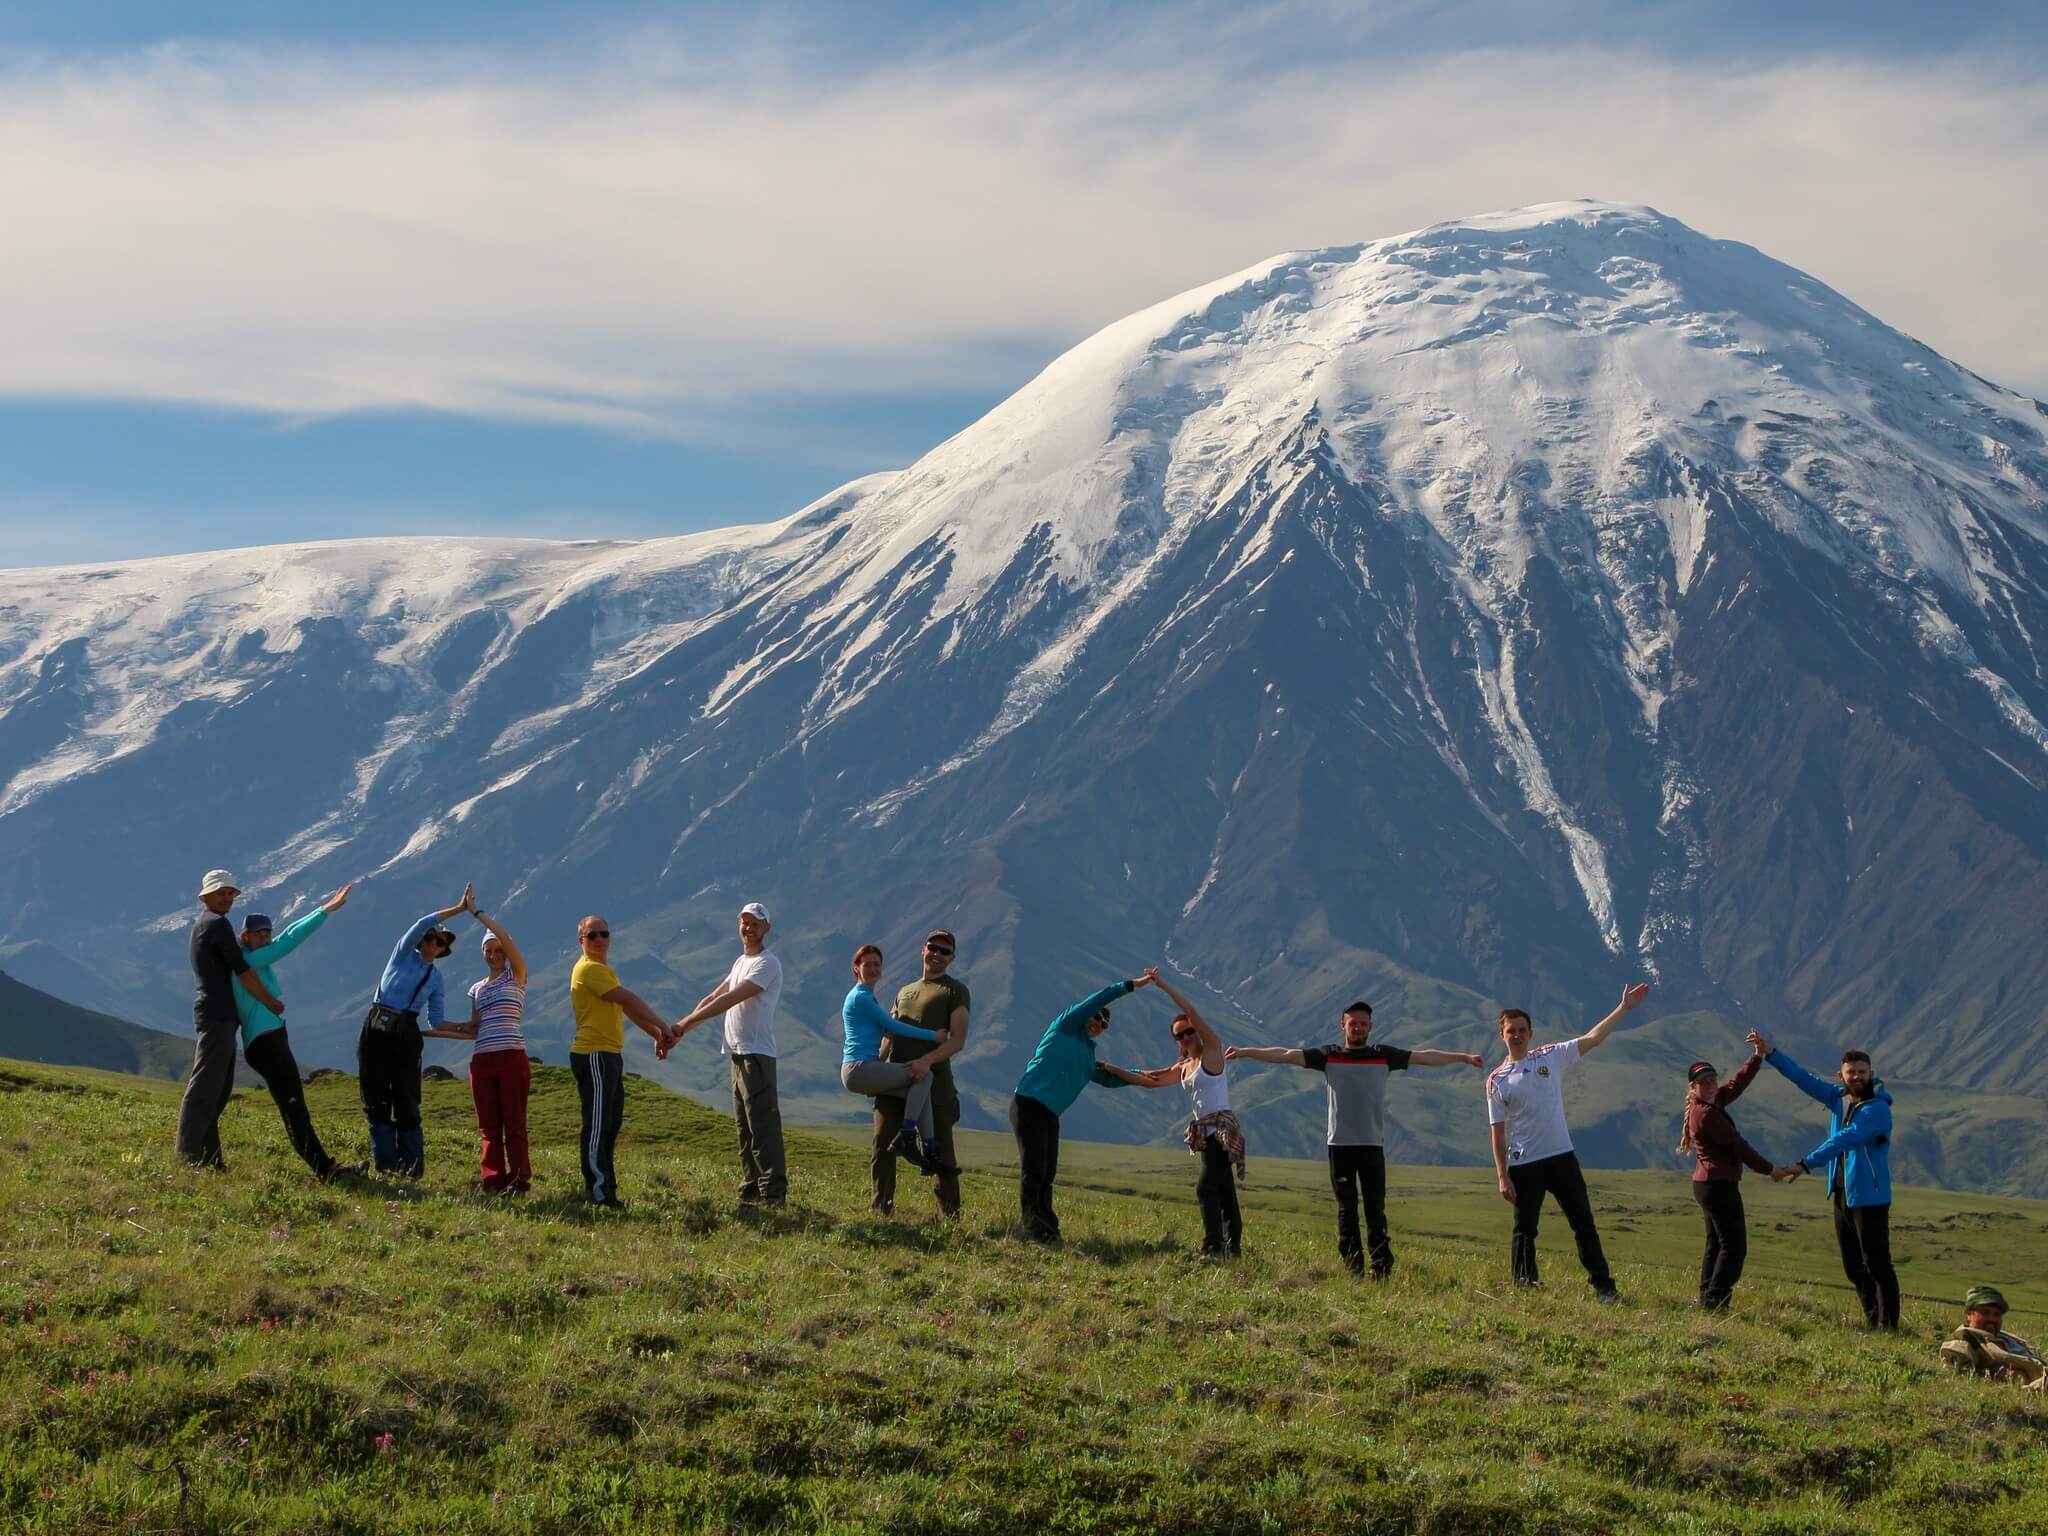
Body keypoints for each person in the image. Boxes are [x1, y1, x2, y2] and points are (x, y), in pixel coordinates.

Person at [1227, 1001, 1482, 1278]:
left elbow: (1424, 1057)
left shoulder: (1383, 1056)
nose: (1358, 1028)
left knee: (1375, 1208)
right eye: (1353, 1023)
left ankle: (1381, 1268)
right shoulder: (1329, 1056)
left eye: (1363, 1023)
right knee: (1346, 1209)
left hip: (1372, 1146)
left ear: (1370, 1027)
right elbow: (1287, 1055)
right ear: (1342, 1025)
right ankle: (1354, 1268)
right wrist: (1246, 1052)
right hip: (1340, 1147)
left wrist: (1463, 1057)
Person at [1486, 983, 1651, 1301]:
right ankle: (1525, 1288)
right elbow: (1497, 1131)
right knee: (1525, 1230)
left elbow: (1592, 1038)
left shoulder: (1551, 1056)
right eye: (1511, 1031)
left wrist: (1625, 1008)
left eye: (1522, 1029)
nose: (1517, 1035)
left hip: (1561, 1157)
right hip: (1525, 1164)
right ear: (1502, 1035)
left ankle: (1604, 1287)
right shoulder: (1497, 1080)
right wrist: (1502, 1175)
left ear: (1531, 1032)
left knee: (1583, 1224)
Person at [1748, 1028, 1900, 1330]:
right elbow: (1803, 1078)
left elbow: (1844, 1140)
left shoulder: (1878, 1109)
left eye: (1861, 1072)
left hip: (1869, 1196)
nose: (1856, 1076)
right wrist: (1771, 1053)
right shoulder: (1838, 1099)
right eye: (1850, 1072)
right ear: (1840, 1075)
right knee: (1853, 1266)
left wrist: (1805, 1165)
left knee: (1877, 1264)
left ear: (1871, 1073)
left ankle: (1889, 1325)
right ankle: (1873, 1321)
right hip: (1843, 1192)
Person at [1095, 972, 1245, 1256]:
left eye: (1190, 1031)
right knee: (1224, 1192)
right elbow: (1151, 1080)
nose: (1187, 1037)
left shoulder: (1212, 1053)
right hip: (1206, 1134)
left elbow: (1191, 1011)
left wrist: (1162, 985)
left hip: (1222, 1133)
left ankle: (1214, 1247)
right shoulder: (1186, 1066)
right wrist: (1112, 1069)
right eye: (1180, 1035)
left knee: (1205, 1189)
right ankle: (1232, 1249)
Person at [1008, 969, 1157, 1243]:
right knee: (1034, 1168)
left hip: (1050, 1112)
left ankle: (1047, 1226)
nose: (1098, 1023)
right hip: (1028, 1103)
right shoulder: (1064, 1026)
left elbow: (1110, 1079)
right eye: (1097, 1016)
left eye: (1104, 1024)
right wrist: (1130, 986)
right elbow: (1097, 999)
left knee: (1047, 1172)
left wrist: (1150, 1074)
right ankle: (1032, 1225)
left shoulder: (1088, 1056)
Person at [231, 886, 355, 1181]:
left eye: (267, 932)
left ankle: (325, 1167)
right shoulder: (249, 961)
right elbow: (290, 939)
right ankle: (326, 1170)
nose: (265, 937)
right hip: (266, 1043)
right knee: (293, 1108)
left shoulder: (256, 961)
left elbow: (285, 934)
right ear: (244, 937)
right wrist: (326, 910)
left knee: (294, 1106)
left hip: (270, 1040)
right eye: (258, 933)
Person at [670, 902, 788, 1207]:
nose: (749, 929)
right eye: (745, 923)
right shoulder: (740, 962)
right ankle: (751, 1187)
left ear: (767, 928)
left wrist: (683, 1025)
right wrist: (681, 1029)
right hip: (736, 1052)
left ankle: (773, 1192)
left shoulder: (767, 963)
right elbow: (715, 996)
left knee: (762, 1126)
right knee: (744, 1128)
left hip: (756, 1054)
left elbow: (733, 998)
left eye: (755, 924)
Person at [420, 895, 531, 1194]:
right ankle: (493, 1180)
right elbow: (473, 1031)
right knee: (489, 1125)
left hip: (511, 1055)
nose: (494, 954)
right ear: (482, 953)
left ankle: (520, 1180)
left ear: (506, 953)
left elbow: (505, 936)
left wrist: (477, 913)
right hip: (483, 1059)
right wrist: (433, 1033)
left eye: (498, 950)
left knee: (514, 1123)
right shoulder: (476, 989)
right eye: (489, 950)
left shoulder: (517, 976)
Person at [358, 886, 470, 1177]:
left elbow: (436, 1021)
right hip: (378, 1024)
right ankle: (386, 1164)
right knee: (375, 1095)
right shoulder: (401, 955)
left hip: (406, 1030)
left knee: (406, 1097)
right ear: (422, 941)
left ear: (444, 950)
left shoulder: (437, 979)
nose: (433, 943)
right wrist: (458, 909)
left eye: (439, 942)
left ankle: (412, 1165)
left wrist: (467, 1028)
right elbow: (420, 923)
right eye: (430, 938)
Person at [177, 869, 286, 1168]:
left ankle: (210, 1158)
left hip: (219, 1014)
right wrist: (270, 1002)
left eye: (229, 893)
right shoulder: (217, 925)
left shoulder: (207, 923)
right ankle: (188, 1153)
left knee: (218, 1088)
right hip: (217, 1014)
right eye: (221, 893)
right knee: (206, 1084)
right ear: (207, 896)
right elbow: (242, 970)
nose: (226, 898)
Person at [568, 913, 673, 1209]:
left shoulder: (604, 971)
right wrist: (664, 1027)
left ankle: (605, 1187)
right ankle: (599, 1192)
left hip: (609, 1055)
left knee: (610, 1123)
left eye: (604, 933)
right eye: (592, 935)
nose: (600, 939)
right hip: (594, 1055)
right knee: (598, 1124)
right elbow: (630, 1000)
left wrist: (656, 1034)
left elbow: (625, 1008)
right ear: (582, 941)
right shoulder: (589, 969)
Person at [1673, 1044, 1784, 1310]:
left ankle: (1707, 1297)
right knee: (1734, 1246)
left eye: (1712, 1079)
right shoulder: (1706, 1114)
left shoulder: (1711, 1102)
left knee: (1716, 1242)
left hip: (1707, 1184)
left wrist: (1757, 1057)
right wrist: (1771, 1170)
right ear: (1693, 1087)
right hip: (1718, 1185)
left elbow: (1736, 1085)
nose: (1710, 1084)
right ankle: (1715, 1299)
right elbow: (1738, 1145)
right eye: (1703, 1081)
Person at [871, 930, 971, 1218]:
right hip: (896, 1077)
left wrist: (926, 1061)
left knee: (939, 1151)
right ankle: (881, 1212)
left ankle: (949, 1218)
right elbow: (889, 1034)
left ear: (951, 958)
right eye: (933, 948)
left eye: (944, 950)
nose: (937, 954)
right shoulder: (904, 991)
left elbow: (957, 1038)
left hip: (935, 1083)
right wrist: (876, 1065)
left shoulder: (954, 991)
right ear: (922, 950)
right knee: (883, 1144)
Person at [838, 944, 946, 1174]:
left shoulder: (868, 997)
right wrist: (934, 1035)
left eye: (877, 964)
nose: (873, 969)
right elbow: (893, 1026)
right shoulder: (860, 997)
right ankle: (907, 1136)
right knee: (925, 1075)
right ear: (857, 968)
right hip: (859, 1068)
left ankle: (931, 1151)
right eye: (867, 964)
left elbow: (885, 1031)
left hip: (866, 1067)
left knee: (920, 1091)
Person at [1940, 1286, 2044, 1388]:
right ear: (1969, 1314)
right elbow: (1961, 1375)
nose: (1992, 1319)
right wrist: (1997, 1376)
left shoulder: (2006, 1337)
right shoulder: (1965, 1339)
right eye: (1985, 1313)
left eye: (1997, 1314)